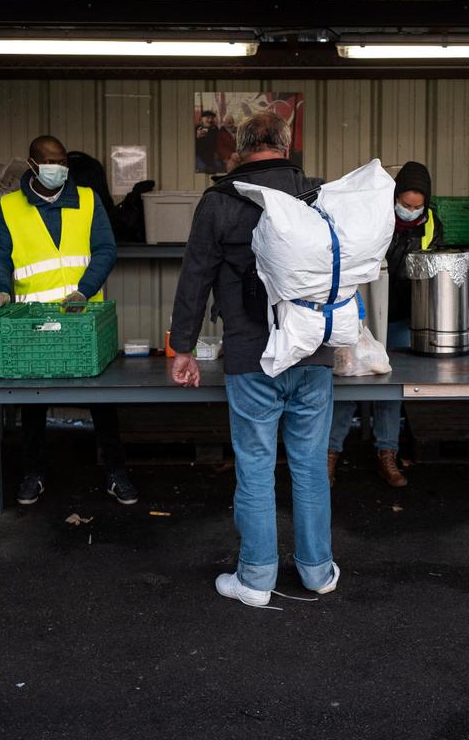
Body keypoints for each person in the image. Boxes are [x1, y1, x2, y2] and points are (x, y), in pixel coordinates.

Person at [170, 112, 340, 609]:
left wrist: (183, 348)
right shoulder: (315, 194)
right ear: (287, 144)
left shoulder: (219, 201)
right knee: (310, 466)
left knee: (256, 466)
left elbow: (194, 280)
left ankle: (257, 579)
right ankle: (316, 571)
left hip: (251, 354)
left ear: (239, 148)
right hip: (313, 351)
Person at [0, 135, 136, 507]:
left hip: (83, 318)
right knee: (33, 402)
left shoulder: (87, 199)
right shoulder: (8, 207)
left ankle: (116, 473)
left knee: (101, 399)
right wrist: (0, 288)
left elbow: (105, 249)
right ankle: (32, 474)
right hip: (32, 320)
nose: (59, 169)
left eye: (63, 162)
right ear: (32, 164)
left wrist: (84, 290)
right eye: (51, 162)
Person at [328, 161, 442, 488]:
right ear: (394, 197)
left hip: (402, 316)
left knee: (390, 387)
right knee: (348, 379)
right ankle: (330, 453)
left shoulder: (433, 225)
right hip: (360, 315)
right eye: (405, 205)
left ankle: (387, 454)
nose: (410, 211)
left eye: (416, 207)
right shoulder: (373, 215)